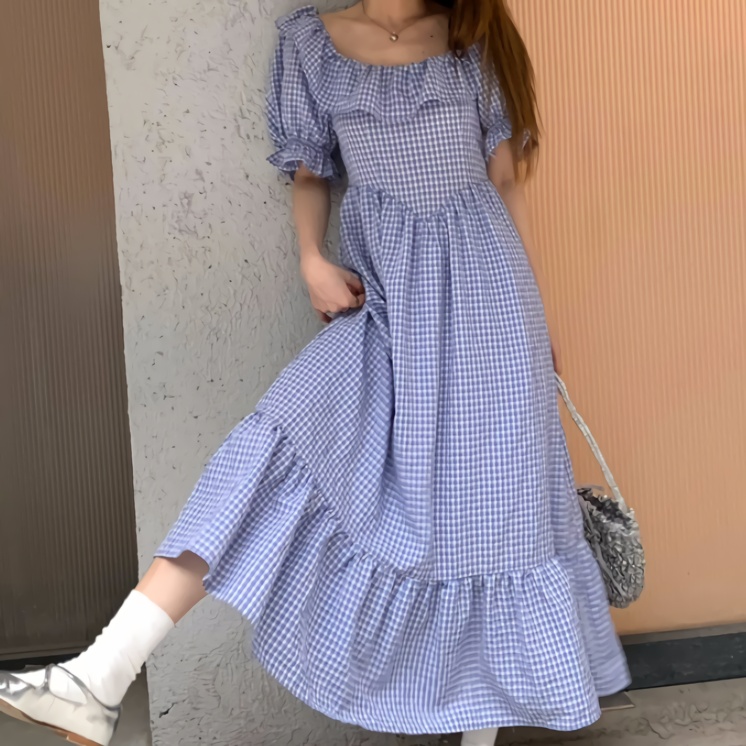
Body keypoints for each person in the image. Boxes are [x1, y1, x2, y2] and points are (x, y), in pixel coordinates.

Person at [0, 2, 631, 745]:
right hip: (384, 305)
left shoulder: (476, 38)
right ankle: (97, 676)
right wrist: (311, 261)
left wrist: (538, 324)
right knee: (267, 454)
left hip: (489, 310)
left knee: (497, 521)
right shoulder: (312, 44)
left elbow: (504, 182)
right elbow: (309, 174)